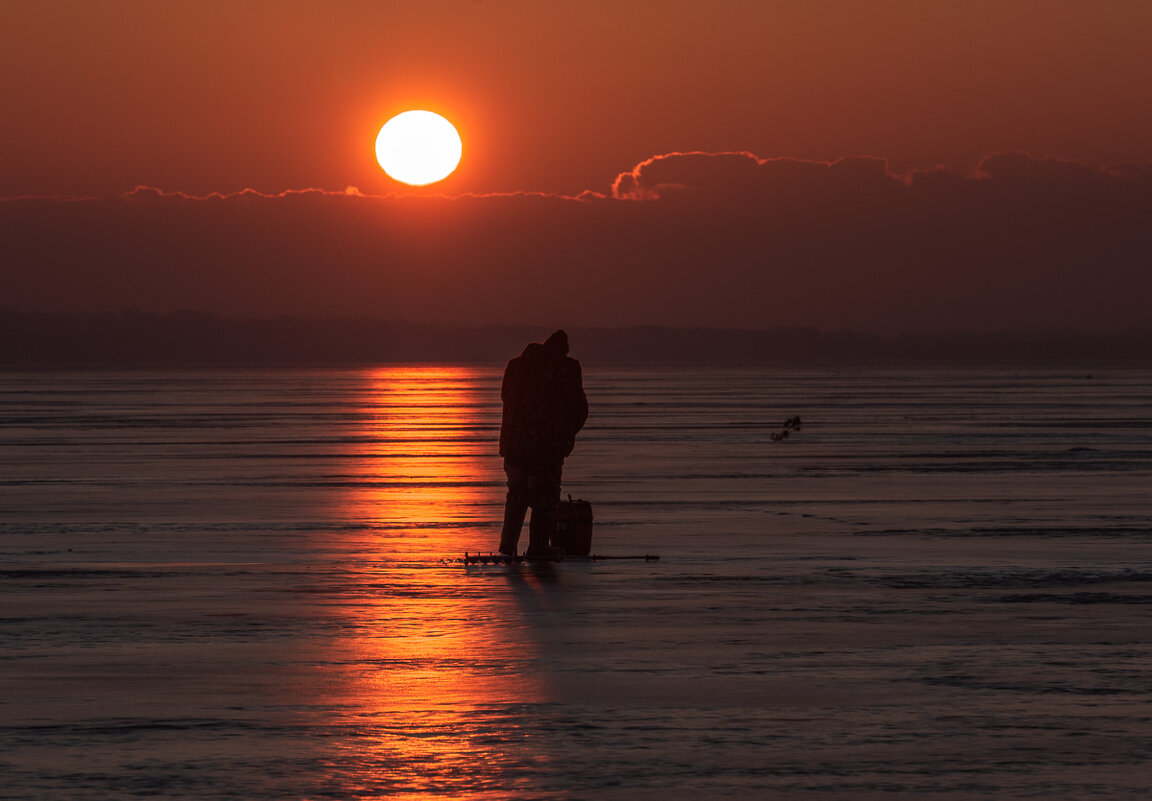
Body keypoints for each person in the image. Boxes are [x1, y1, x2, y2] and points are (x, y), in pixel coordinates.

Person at [498, 329, 588, 558]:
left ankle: (508, 547)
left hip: (514, 445)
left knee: (517, 494)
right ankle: (538, 547)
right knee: (545, 496)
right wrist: (565, 435)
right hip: (546, 447)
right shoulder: (566, 369)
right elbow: (579, 409)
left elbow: (505, 398)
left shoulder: (516, 366)